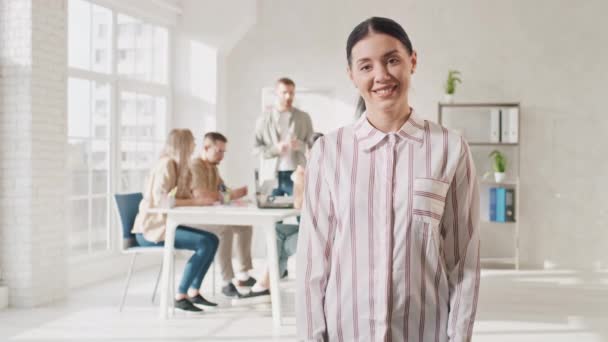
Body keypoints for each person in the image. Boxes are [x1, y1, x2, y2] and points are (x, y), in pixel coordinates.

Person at [296, 17, 480, 341]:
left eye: (392, 60)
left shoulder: (449, 148)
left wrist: (459, 336)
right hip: (346, 330)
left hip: (424, 331)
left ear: (412, 61)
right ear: (352, 75)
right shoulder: (328, 151)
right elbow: (313, 261)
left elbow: (463, 261)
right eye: (365, 66)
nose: (381, 75)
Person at [132, 129, 219, 313]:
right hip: (150, 230)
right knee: (204, 242)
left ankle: (194, 291)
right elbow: (162, 199)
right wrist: (196, 201)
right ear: (183, 144)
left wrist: (197, 198)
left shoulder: (179, 167)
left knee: (213, 240)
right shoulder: (167, 164)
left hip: (164, 226)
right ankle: (181, 295)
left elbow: (182, 196)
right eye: (192, 141)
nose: (195, 145)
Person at [241, 133, 324, 300]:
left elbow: (299, 204)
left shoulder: (317, 172)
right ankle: (265, 283)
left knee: (280, 243)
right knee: (277, 231)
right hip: (315, 228)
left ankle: (265, 283)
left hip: (323, 234)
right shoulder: (313, 170)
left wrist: (300, 180)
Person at [189, 132, 256, 298]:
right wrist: (232, 195)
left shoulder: (213, 168)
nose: (222, 156)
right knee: (224, 230)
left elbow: (223, 192)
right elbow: (202, 195)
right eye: (219, 151)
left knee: (244, 227)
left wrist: (237, 195)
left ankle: (243, 275)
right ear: (206, 147)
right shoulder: (195, 166)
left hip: (209, 215)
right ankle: (227, 282)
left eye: (224, 152)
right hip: (194, 218)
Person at [254, 77, 314, 196]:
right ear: (276, 93)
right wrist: (275, 149)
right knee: (271, 213)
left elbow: (313, 147)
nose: (288, 97)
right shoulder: (263, 119)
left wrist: (300, 145)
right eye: (284, 92)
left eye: (291, 93)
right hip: (271, 176)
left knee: (300, 212)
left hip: (296, 173)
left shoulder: (304, 117)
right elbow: (256, 149)